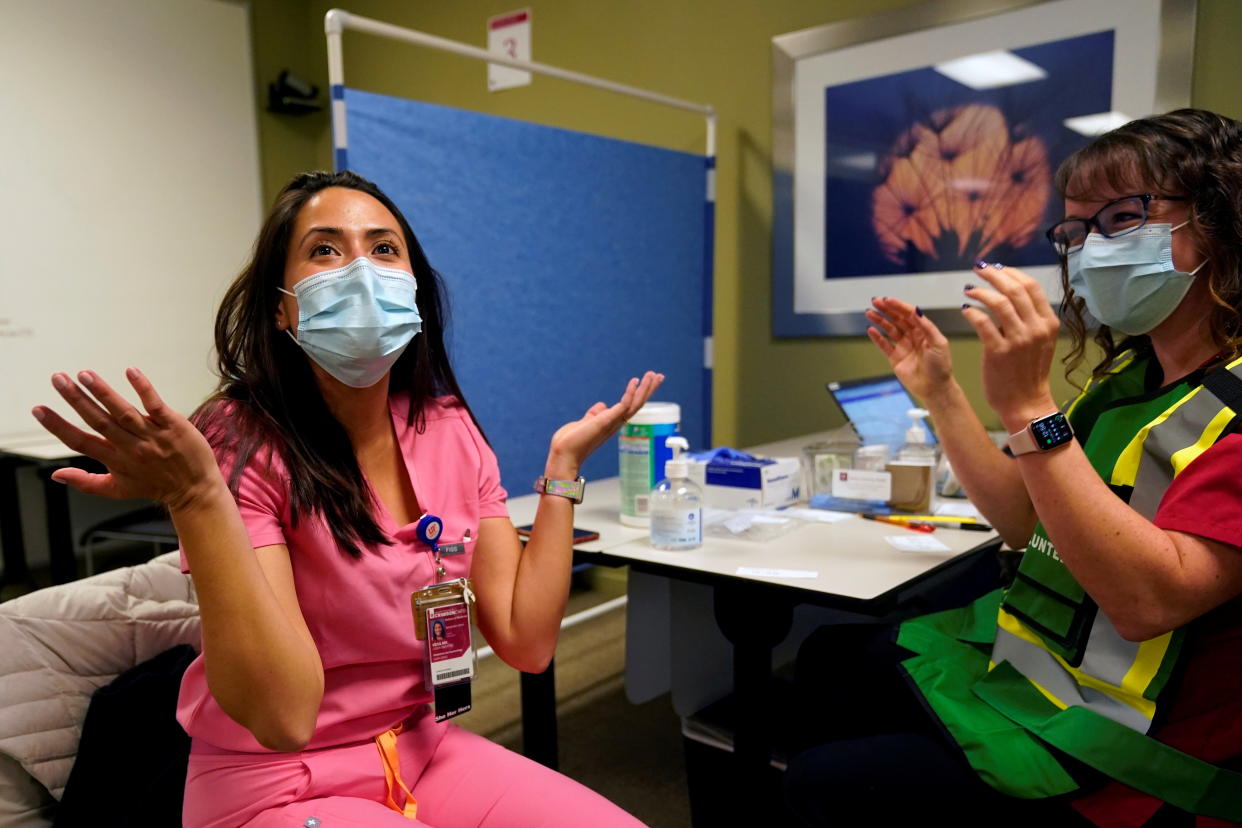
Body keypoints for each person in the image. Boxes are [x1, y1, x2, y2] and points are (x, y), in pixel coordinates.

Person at [32, 169, 663, 827]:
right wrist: (195, 497)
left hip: (419, 749)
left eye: (384, 248)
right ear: (282, 306)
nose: (361, 269)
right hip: (278, 782)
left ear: (414, 289)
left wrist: (562, 469)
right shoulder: (238, 439)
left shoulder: (448, 429)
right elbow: (284, 717)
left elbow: (527, 643)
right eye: (326, 249)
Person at [784, 108, 1242, 826]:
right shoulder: (1128, 383)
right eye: (1076, 231)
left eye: (1123, 217)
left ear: (1220, 217)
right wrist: (941, 393)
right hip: (1045, 674)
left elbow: (1150, 603)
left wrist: (1030, 406)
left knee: (824, 779)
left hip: (1134, 753)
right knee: (832, 661)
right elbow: (1031, 524)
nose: (1091, 250)